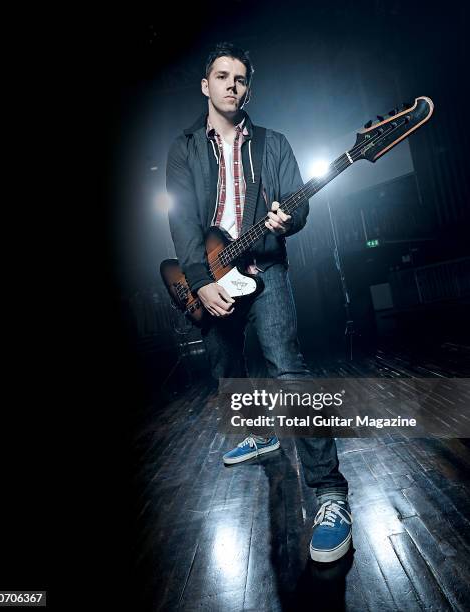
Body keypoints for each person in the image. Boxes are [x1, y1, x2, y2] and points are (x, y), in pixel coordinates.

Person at [166, 42, 352, 562]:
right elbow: (181, 223)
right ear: (206, 85)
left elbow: (299, 205)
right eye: (221, 76)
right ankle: (259, 433)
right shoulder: (183, 148)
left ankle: (332, 495)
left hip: (265, 265)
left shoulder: (274, 144)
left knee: (288, 368)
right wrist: (201, 281)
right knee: (227, 370)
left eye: (240, 78)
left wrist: (286, 218)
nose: (231, 84)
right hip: (209, 273)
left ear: (248, 89)